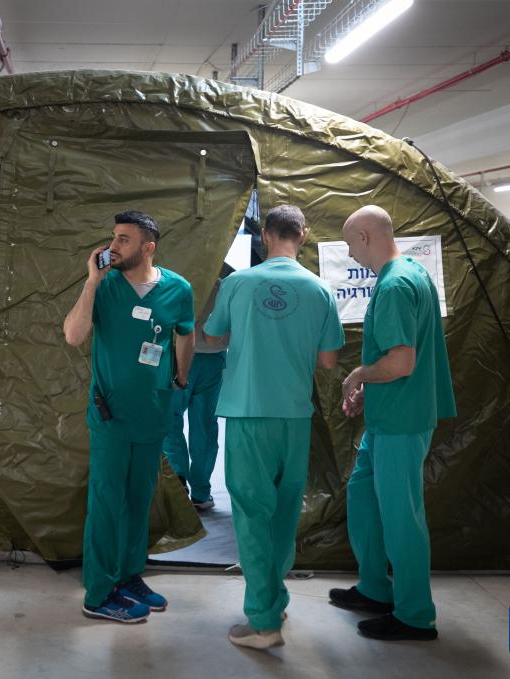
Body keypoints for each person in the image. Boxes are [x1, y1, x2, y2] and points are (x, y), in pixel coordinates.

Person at [203, 204, 344, 649]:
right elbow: (328, 360)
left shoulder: (238, 283)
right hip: (295, 416)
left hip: (249, 413)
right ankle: (275, 600)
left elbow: (214, 336)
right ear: (304, 235)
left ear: (265, 234)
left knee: (251, 514)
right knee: (284, 513)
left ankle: (263, 623)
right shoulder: (320, 289)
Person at [331, 205, 456, 642]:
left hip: (402, 421)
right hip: (391, 415)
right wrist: (372, 389)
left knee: (402, 517)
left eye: (349, 244)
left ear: (364, 237)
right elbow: (401, 358)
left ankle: (415, 615)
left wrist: (358, 375)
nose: (350, 253)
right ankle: (375, 588)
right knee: (363, 494)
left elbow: (401, 362)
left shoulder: (395, 284)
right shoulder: (410, 274)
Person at [63, 210, 195, 624]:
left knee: (139, 504)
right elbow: (73, 335)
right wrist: (91, 281)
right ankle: (99, 594)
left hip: (152, 415)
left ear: (148, 247)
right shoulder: (105, 287)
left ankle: (127, 576)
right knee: (107, 505)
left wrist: (180, 376)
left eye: (124, 239)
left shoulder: (178, 289)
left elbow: (186, 332)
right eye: (113, 237)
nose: (113, 246)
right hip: (111, 417)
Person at [163, 278, 227, 510]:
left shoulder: (177, 272)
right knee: (205, 425)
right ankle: (201, 492)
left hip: (177, 353)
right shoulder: (229, 280)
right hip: (212, 355)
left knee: (170, 419)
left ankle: (178, 479)